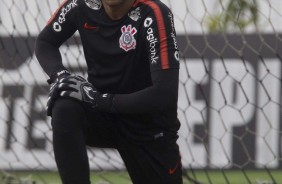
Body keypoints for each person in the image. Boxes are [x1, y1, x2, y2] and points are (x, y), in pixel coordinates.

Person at [35, 0, 182, 183]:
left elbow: (164, 94)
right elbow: (45, 42)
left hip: (147, 126)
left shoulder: (154, 13)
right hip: (102, 117)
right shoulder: (82, 4)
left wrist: (99, 100)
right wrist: (60, 75)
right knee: (65, 104)